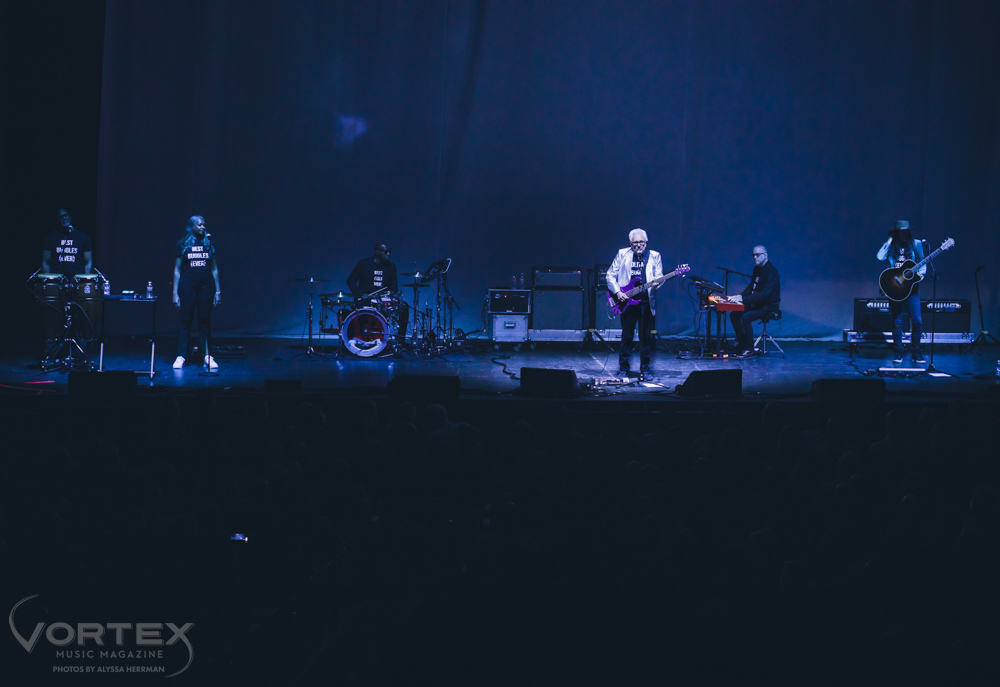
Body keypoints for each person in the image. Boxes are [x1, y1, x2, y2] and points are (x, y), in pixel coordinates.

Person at [606, 228, 664, 377]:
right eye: (636, 242)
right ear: (630, 243)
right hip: (627, 303)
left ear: (646, 243)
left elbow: (659, 276)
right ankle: (623, 369)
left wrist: (658, 283)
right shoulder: (622, 254)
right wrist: (618, 292)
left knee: (646, 339)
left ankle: (645, 370)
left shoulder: (654, 256)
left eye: (642, 242)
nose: (639, 245)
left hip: (646, 303)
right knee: (627, 337)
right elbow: (610, 275)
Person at [172, 216, 221, 369]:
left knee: (205, 320)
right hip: (188, 285)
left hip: (206, 286)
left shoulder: (208, 243)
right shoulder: (183, 244)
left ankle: (206, 355)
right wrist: (175, 292)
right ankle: (181, 356)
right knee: (185, 320)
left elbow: (214, 269)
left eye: (204, 225)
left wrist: (218, 290)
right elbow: (177, 270)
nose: (203, 227)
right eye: (199, 225)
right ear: (192, 226)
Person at [877, 220, 925, 364]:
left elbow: (922, 262)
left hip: (911, 289)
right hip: (895, 288)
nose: (904, 234)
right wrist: (890, 239)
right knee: (897, 322)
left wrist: (919, 276)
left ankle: (916, 352)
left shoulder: (916, 244)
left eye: (906, 231)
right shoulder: (891, 245)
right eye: (901, 232)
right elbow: (880, 257)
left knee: (917, 321)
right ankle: (898, 352)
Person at [346, 242, 409, 347]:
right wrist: (360, 294)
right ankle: (364, 338)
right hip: (365, 299)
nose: (388, 254)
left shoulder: (391, 267)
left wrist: (388, 295)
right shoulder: (364, 264)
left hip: (382, 300)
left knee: (404, 307)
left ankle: (400, 341)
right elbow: (350, 280)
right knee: (363, 306)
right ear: (377, 252)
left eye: (389, 252)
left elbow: (394, 286)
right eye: (386, 252)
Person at [729, 245, 781, 357]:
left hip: (768, 306)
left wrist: (743, 299)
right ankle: (742, 345)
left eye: (757, 255)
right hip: (758, 304)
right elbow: (752, 287)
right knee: (734, 315)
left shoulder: (771, 272)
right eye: (753, 255)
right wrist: (739, 296)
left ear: (765, 255)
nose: (755, 258)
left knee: (746, 317)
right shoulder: (757, 269)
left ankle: (750, 348)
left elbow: (764, 295)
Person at [42, 209, 92, 276]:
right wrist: (49, 280)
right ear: (57, 220)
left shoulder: (82, 236)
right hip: (57, 280)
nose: (64, 218)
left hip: (76, 279)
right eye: (61, 216)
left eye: (66, 215)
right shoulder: (51, 237)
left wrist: (85, 281)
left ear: (70, 217)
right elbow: (46, 262)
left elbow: (88, 261)